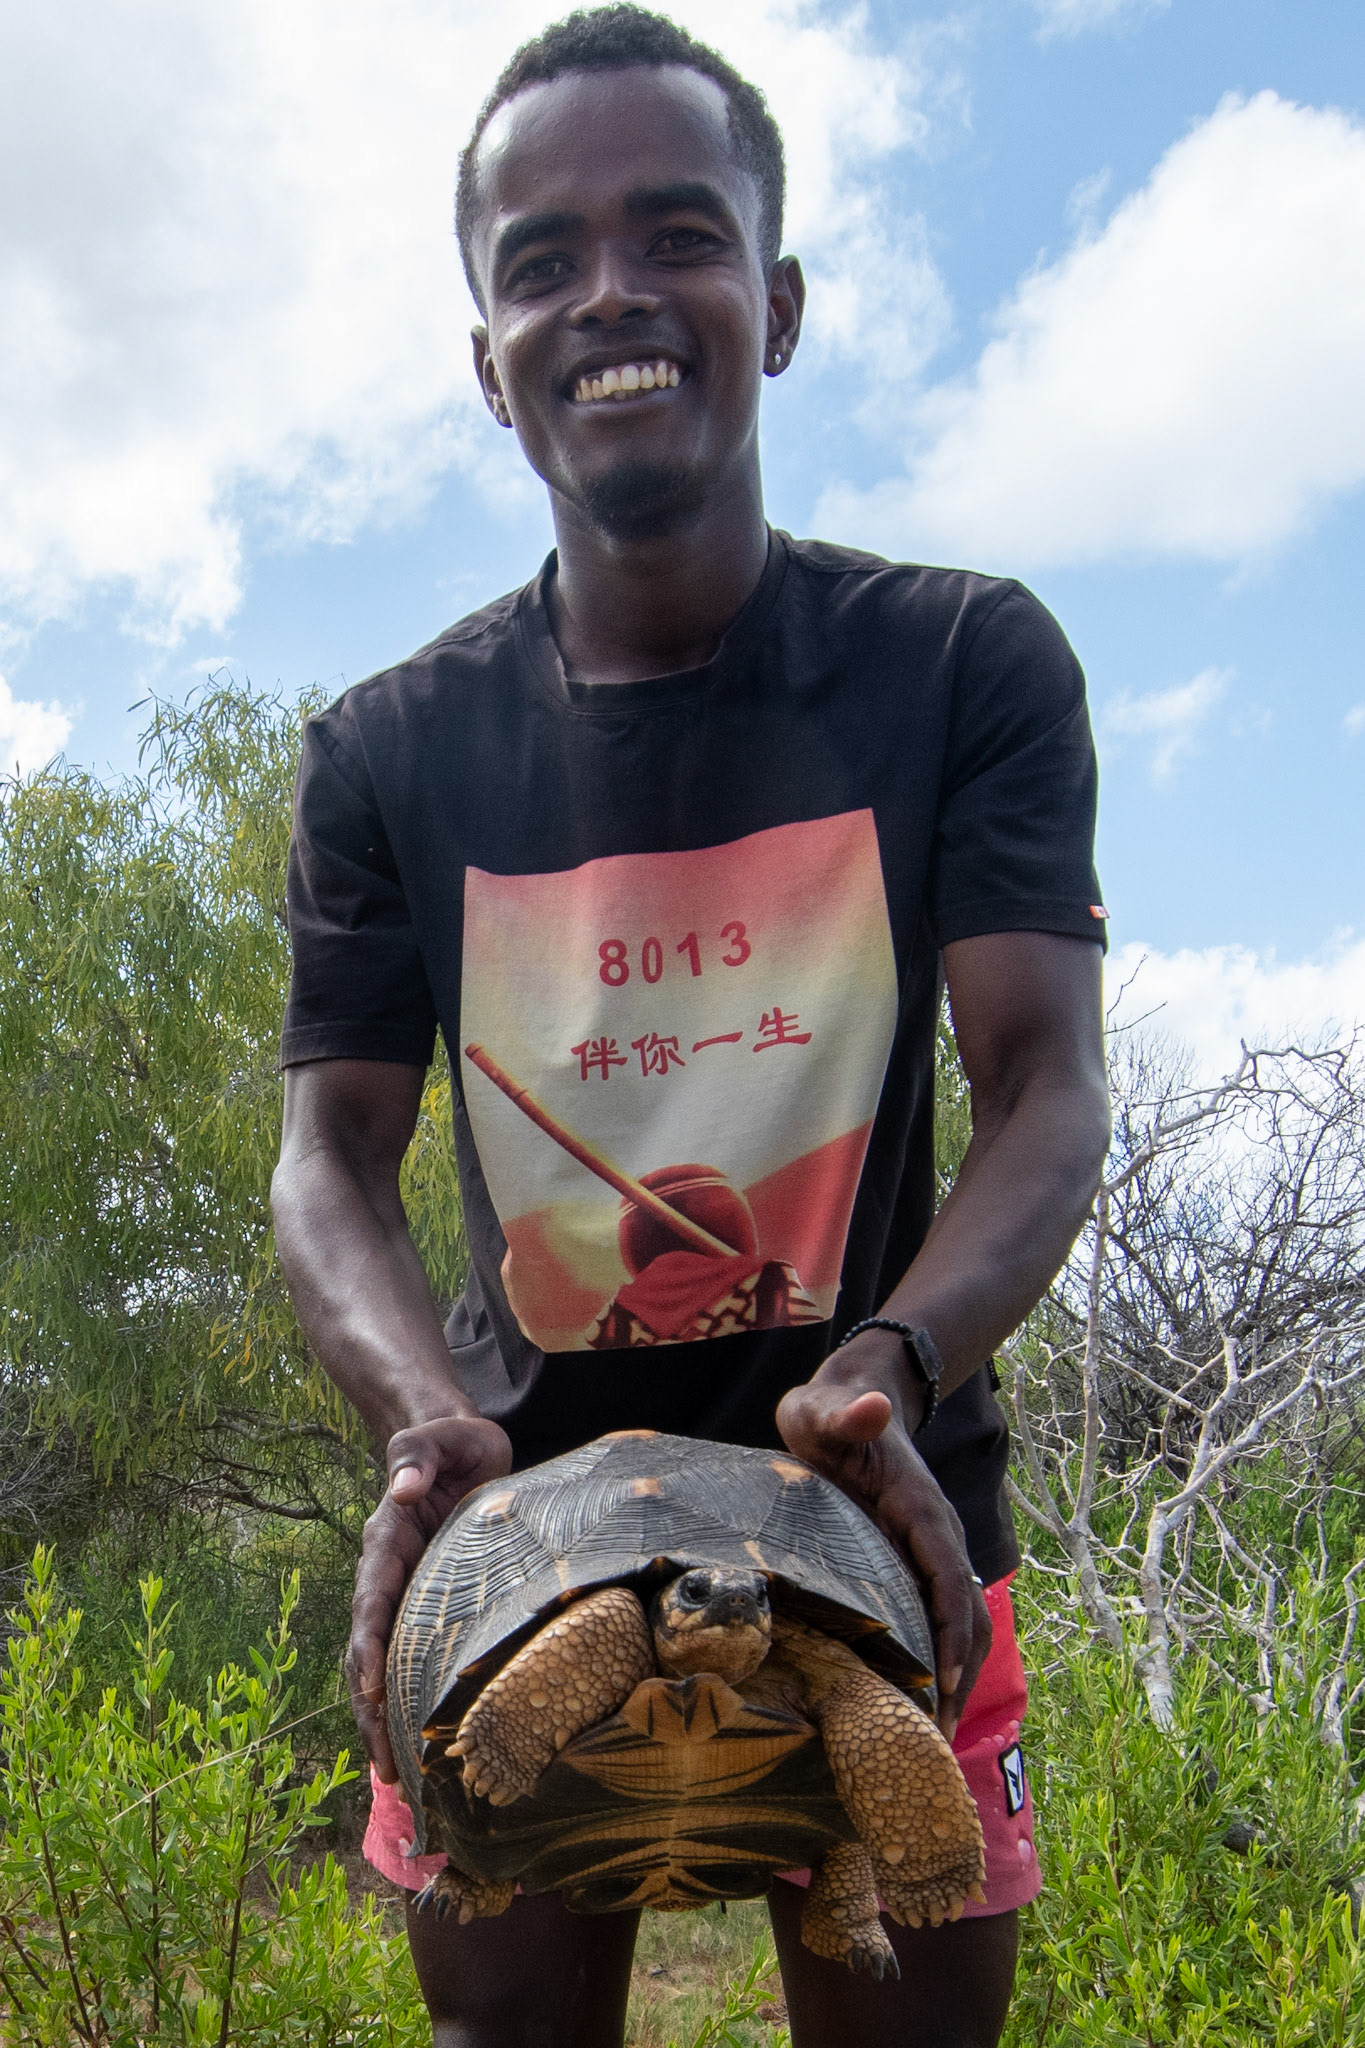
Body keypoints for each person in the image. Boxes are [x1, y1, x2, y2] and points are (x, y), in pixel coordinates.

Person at [270, 9, 1112, 2044]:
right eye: (539, 262)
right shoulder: (390, 750)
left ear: (781, 300)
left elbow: (1043, 1085)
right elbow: (326, 1156)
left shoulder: (962, 664)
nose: (611, 294)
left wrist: (892, 1359)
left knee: (911, 1984)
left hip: (884, 1489)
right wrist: (421, 1425)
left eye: (676, 233)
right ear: (487, 360)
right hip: (517, 1520)